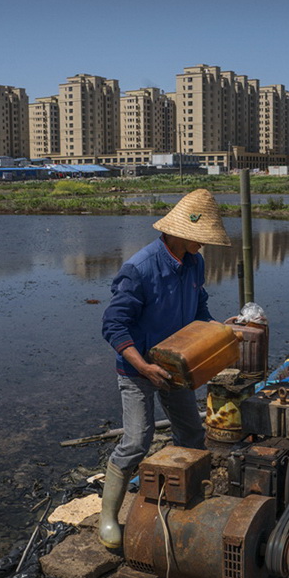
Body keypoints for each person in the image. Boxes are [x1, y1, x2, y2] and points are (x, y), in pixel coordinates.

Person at [98, 188, 231, 549]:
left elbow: (199, 310)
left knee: (191, 432)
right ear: (176, 232)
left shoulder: (195, 263)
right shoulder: (140, 269)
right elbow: (113, 325)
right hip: (139, 369)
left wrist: (219, 330)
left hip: (176, 365)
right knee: (137, 440)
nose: (202, 246)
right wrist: (143, 366)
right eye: (198, 238)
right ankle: (108, 517)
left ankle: (185, 498)